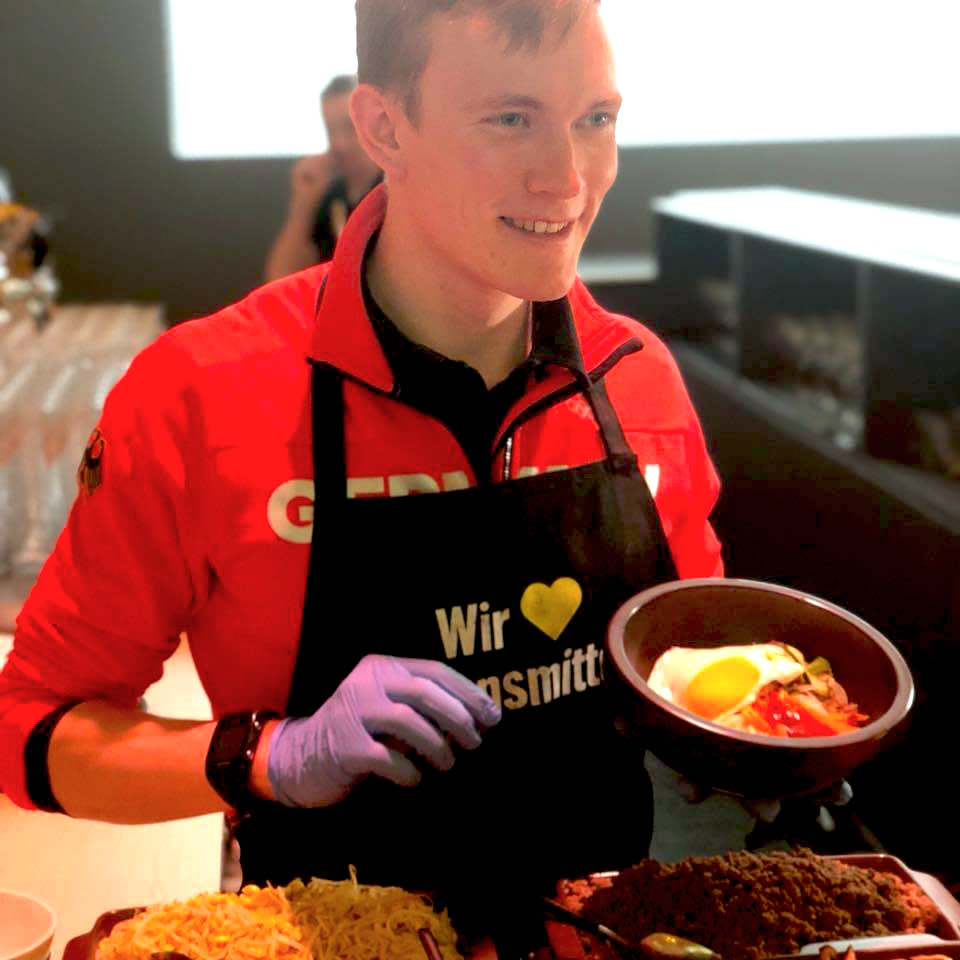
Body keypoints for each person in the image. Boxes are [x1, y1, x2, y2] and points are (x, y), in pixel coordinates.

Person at [0, 0, 724, 932]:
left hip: (614, 932)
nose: (568, 176)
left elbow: (700, 670)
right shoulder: (203, 393)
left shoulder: (640, 381)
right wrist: (272, 757)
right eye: (510, 119)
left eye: (596, 119)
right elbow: (31, 731)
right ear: (384, 128)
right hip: (333, 935)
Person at [264, 74, 382, 281]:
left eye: (349, 127)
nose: (340, 143)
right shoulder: (327, 193)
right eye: (330, 130)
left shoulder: (395, 193)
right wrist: (302, 207)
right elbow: (280, 279)